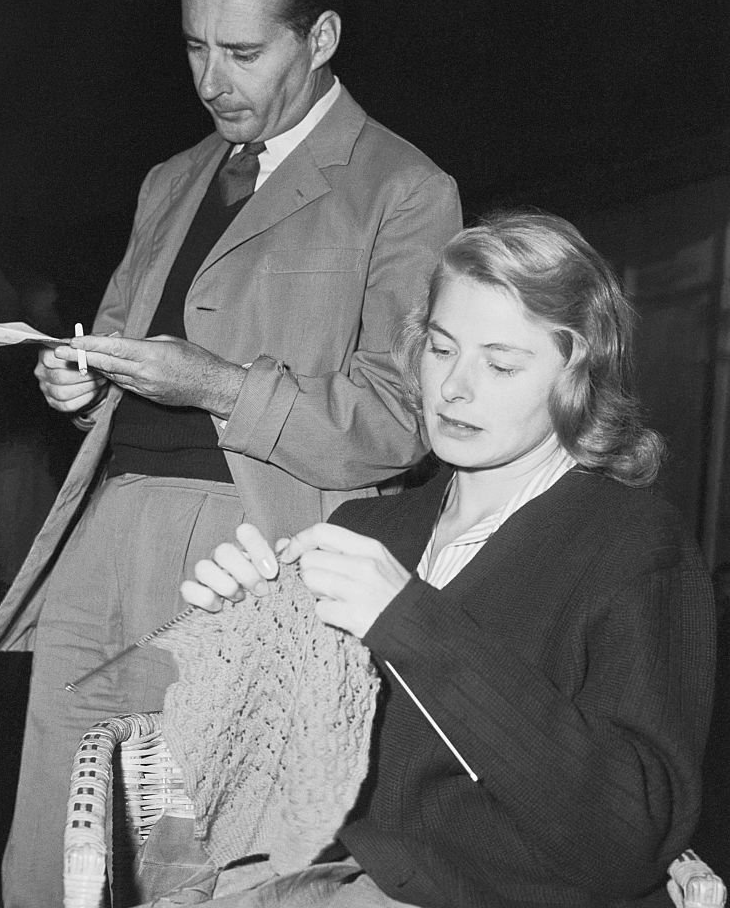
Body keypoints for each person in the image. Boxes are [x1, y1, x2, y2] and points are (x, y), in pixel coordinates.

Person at [0, 0, 461, 908]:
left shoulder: (403, 189)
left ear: (320, 39)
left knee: (194, 870)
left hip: (242, 561)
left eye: (243, 51)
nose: (212, 79)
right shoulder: (171, 177)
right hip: (102, 534)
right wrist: (81, 383)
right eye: (196, 46)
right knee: (47, 864)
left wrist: (218, 385)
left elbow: (397, 423)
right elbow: (121, 340)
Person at [172, 211, 716, 908]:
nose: (456, 388)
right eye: (440, 349)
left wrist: (412, 623)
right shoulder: (371, 526)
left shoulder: (635, 545)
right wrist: (243, 642)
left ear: (577, 375)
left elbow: (624, 842)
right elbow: (286, 785)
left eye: (500, 362)